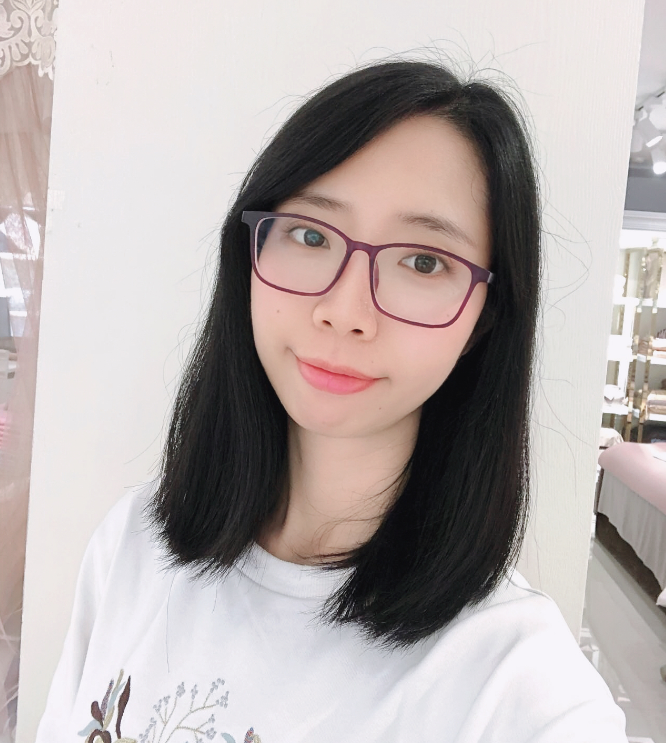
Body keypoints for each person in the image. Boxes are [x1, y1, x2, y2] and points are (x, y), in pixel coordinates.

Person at [36, 59, 627, 743]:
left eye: (424, 261)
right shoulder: (133, 542)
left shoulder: (520, 683)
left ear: (483, 320)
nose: (346, 312)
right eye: (312, 235)